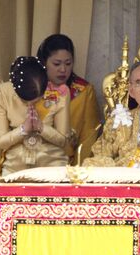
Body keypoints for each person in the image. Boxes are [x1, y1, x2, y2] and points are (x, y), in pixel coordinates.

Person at [0, 56, 71, 176]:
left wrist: (42, 127)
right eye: (25, 101)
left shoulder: (59, 93)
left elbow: (63, 141)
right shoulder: (1, 93)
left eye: (37, 99)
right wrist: (23, 129)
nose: (31, 104)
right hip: (15, 167)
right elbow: (1, 141)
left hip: (52, 166)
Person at [37, 34, 101, 164]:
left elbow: (89, 136)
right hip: (33, 161)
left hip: (67, 164)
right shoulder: (33, 89)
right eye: (56, 64)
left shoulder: (83, 91)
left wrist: (78, 171)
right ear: (44, 63)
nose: (63, 69)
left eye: (68, 63)